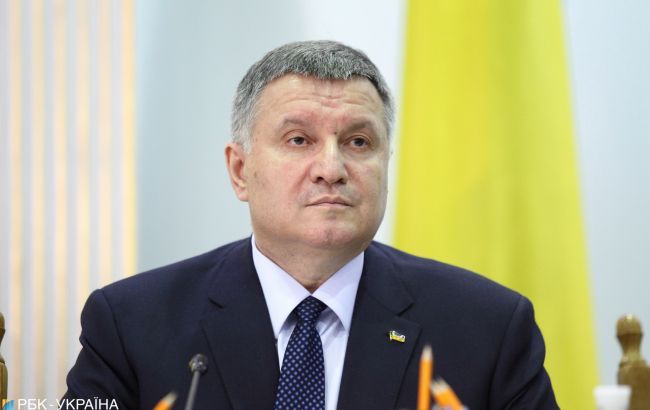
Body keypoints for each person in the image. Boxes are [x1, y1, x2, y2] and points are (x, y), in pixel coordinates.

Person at [64, 40, 558, 410]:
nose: (331, 167)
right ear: (240, 170)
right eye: (299, 140)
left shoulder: (488, 328)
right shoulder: (130, 325)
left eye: (359, 142)